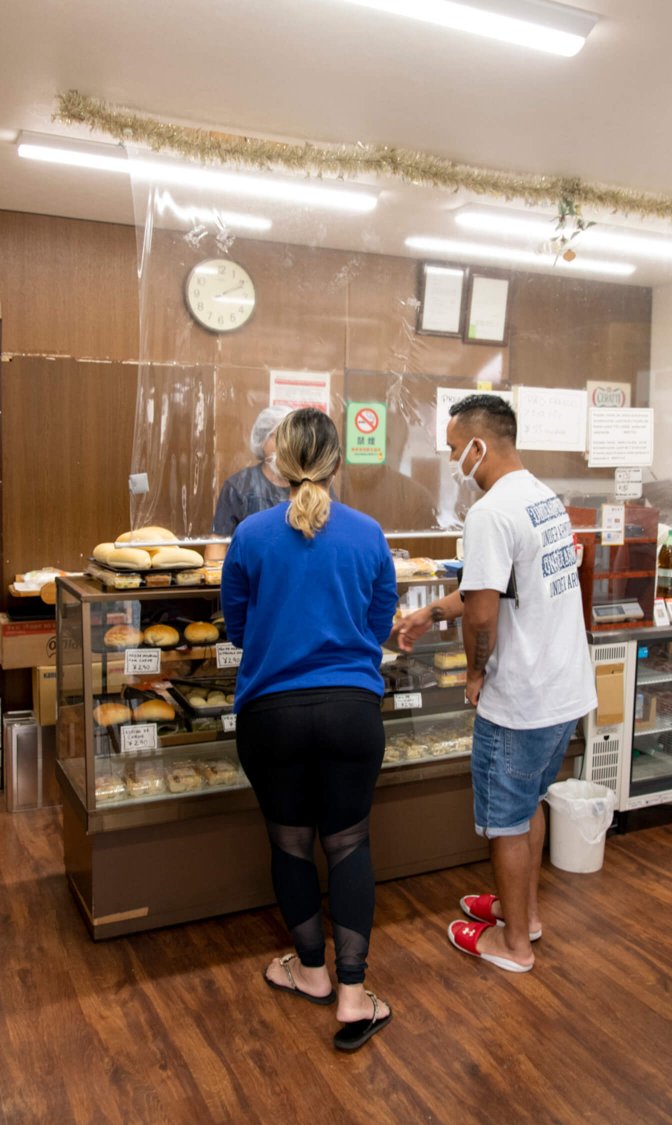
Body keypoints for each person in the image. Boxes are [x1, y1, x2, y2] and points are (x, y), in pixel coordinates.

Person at [395, 394, 596, 973]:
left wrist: (476, 672)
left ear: (479, 446)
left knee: (505, 821)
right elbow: (495, 587)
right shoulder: (541, 497)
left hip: (521, 699)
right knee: (529, 805)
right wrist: (430, 613)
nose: (452, 459)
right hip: (564, 691)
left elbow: (483, 615)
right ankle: (523, 915)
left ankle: (513, 947)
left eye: (455, 448)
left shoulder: (489, 513)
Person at [221, 407, 398, 1050]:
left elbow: (238, 628)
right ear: (336, 462)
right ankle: (353, 994)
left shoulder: (250, 535)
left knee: (291, 845)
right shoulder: (368, 533)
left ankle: (311, 973)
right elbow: (378, 622)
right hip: (352, 712)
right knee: (349, 845)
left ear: (279, 461)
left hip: (271, 716)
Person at [212, 405, 292, 534]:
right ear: (262, 439)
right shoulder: (238, 486)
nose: (286, 444)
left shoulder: (310, 484)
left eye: (291, 436)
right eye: (278, 436)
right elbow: (219, 542)